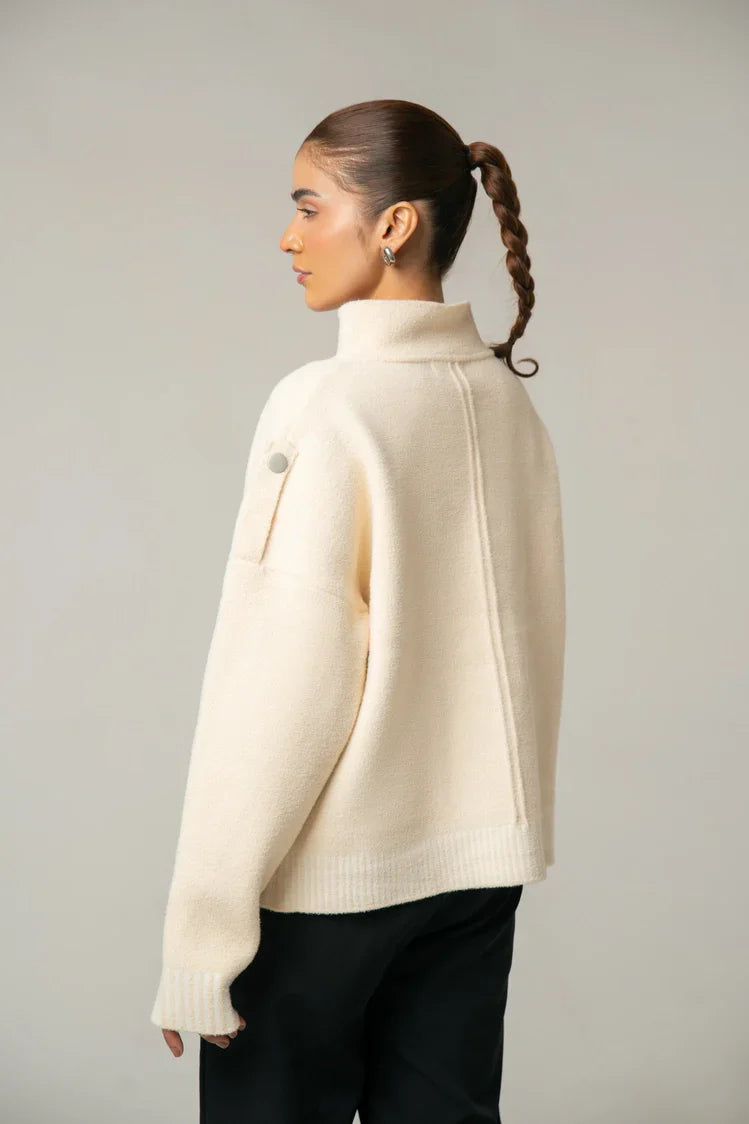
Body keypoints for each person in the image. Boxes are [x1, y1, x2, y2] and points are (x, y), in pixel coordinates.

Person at [149, 98, 566, 1124]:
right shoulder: (506, 402)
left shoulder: (327, 407)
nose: (286, 237)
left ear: (392, 225)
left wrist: (203, 933)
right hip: (476, 876)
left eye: (307, 206)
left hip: (326, 891)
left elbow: (278, 681)